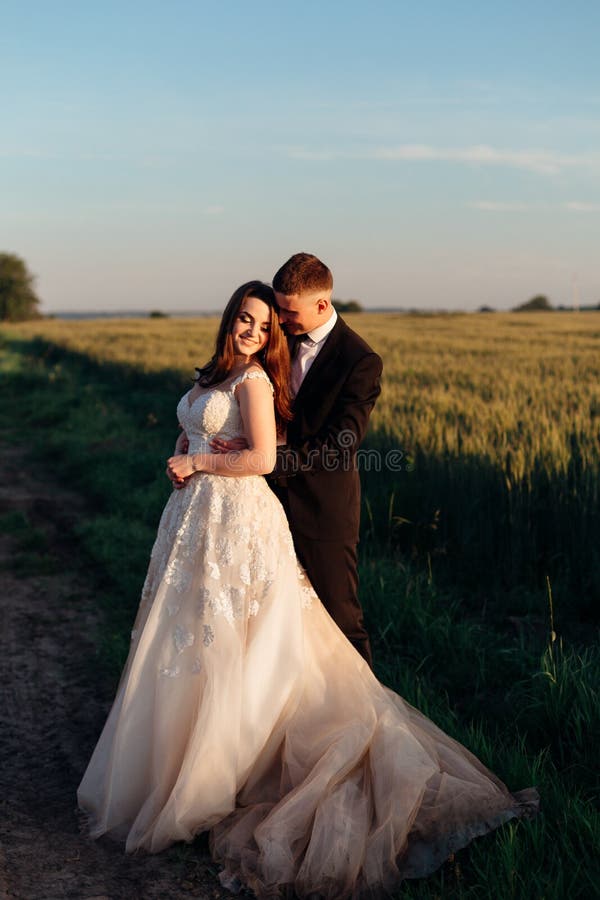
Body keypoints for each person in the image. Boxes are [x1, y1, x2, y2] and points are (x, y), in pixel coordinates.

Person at [78, 280, 538, 899]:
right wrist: (187, 446)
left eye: (264, 325)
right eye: (245, 319)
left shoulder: (268, 379)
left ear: (289, 321)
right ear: (229, 319)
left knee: (252, 644)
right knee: (187, 642)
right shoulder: (218, 375)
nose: (251, 331)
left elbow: (268, 456)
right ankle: (178, 767)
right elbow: (203, 431)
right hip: (196, 526)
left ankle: (232, 776)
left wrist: (201, 462)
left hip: (246, 516)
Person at [213, 252, 383, 667]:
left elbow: (340, 444)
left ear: (322, 305)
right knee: (267, 617)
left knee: (340, 618)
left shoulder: (359, 361)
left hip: (320, 509)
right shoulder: (278, 337)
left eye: (288, 312)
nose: (279, 320)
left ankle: (364, 720)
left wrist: (267, 458)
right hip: (258, 505)